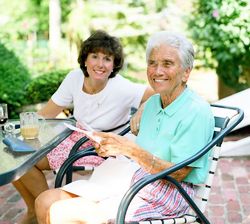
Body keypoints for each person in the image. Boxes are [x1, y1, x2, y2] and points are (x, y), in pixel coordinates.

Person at [35, 31, 215, 224]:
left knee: (62, 213)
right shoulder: (154, 103)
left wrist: (131, 150)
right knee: (44, 201)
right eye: (152, 63)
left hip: (167, 191)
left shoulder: (196, 111)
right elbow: (138, 152)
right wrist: (114, 147)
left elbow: (179, 173)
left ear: (186, 72)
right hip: (132, 179)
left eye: (167, 64)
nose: (157, 71)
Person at [13, 30, 154, 224]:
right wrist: (15, 133)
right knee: (18, 156)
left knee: (24, 159)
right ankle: (37, 211)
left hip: (102, 148)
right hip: (74, 139)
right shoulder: (74, 78)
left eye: (107, 59)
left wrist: (142, 108)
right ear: (85, 60)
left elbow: (157, 95)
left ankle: (45, 212)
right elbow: (45, 114)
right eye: (94, 56)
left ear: (114, 65)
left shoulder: (122, 87)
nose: (100, 64)